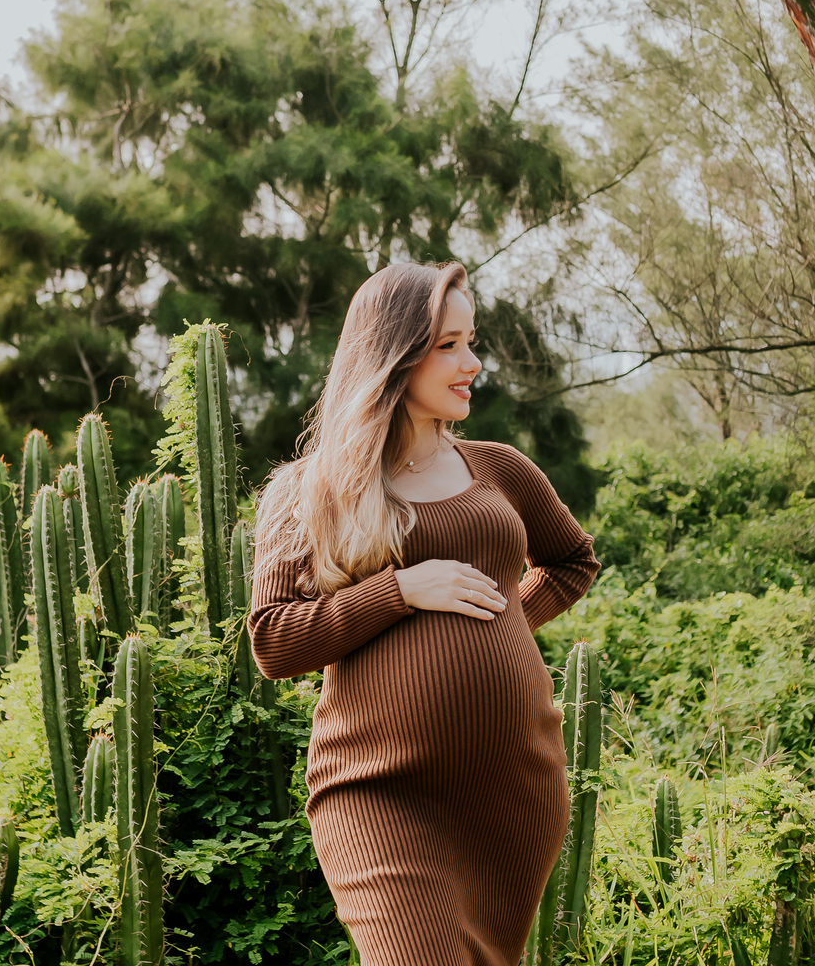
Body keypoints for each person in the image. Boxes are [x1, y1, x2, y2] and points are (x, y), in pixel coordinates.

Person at [249, 260, 600, 966]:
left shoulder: (497, 468)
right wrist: (403, 591)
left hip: (511, 795)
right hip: (379, 791)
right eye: (448, 346)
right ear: (391, 354)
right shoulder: (311, 490)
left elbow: (572, 563)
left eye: (472, 342)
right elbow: (274, 641)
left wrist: (497, 624)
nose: (471, 363)